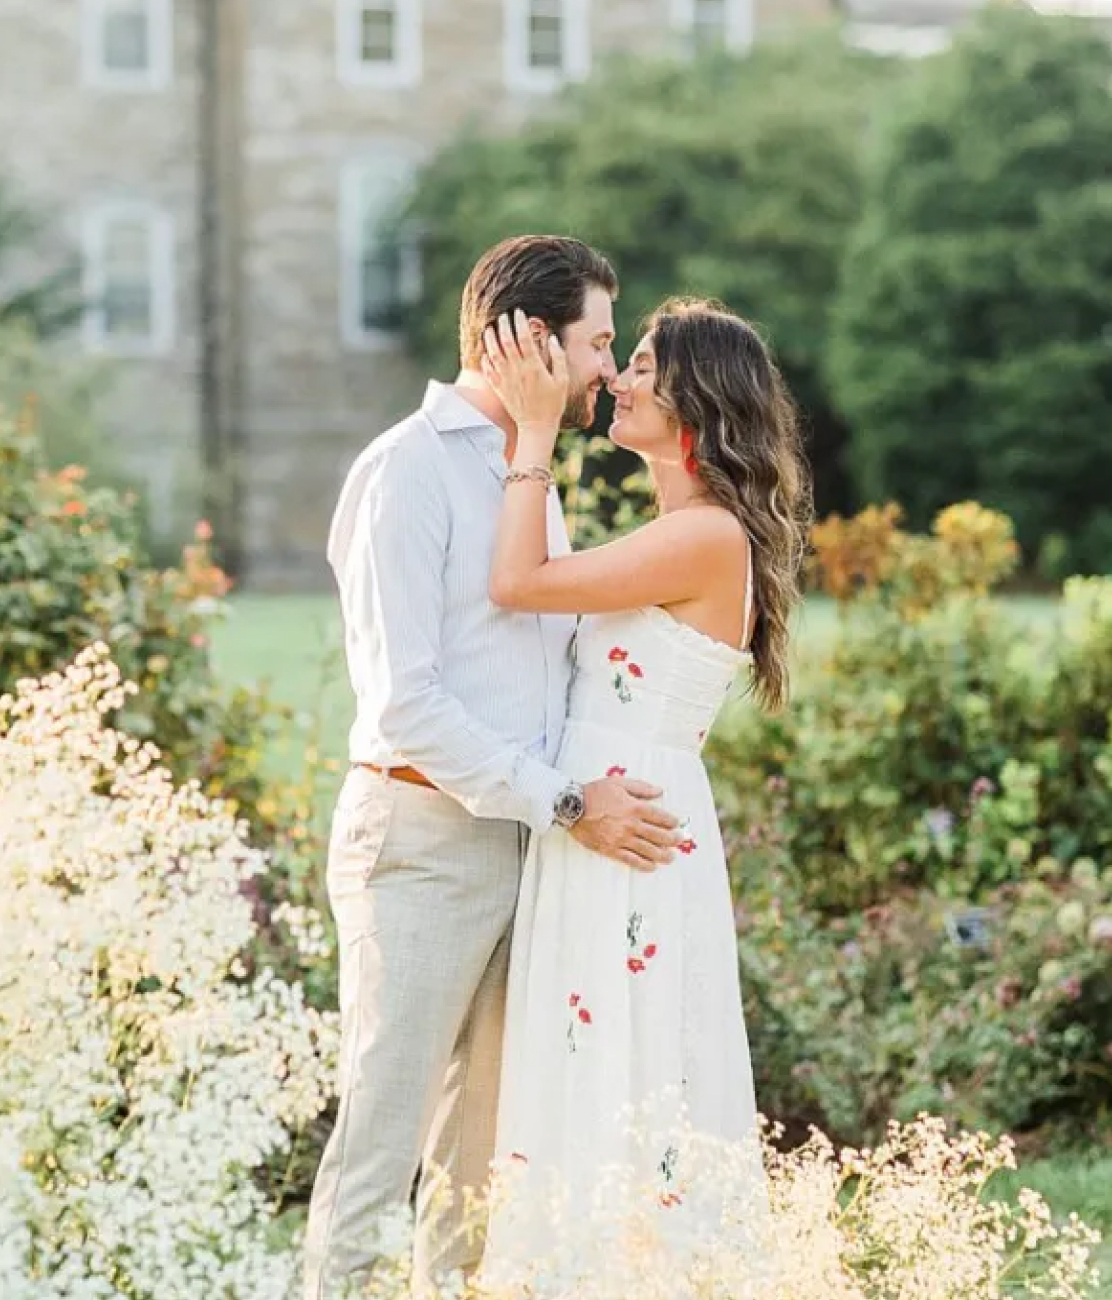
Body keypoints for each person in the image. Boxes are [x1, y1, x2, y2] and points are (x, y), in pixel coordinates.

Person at [302, 236, 683, 1298]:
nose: (610, 368)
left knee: (476, 1171)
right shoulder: (407, 469)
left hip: (527, 845)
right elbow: (405, 702)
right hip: (420, 846)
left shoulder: (526, 472)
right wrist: (568, 801)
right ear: (524, 338)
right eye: (600, 341)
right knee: (378, 1148)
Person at [476, 298, 810, 1281]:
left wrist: (533, 428)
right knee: (596, 1059)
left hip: (629, 832)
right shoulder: (683, 528)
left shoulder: (705, 537)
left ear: (697, 398)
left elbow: (517, 582)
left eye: (645, 365)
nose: (617, 378)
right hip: (607, 822)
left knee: (624, 1065)